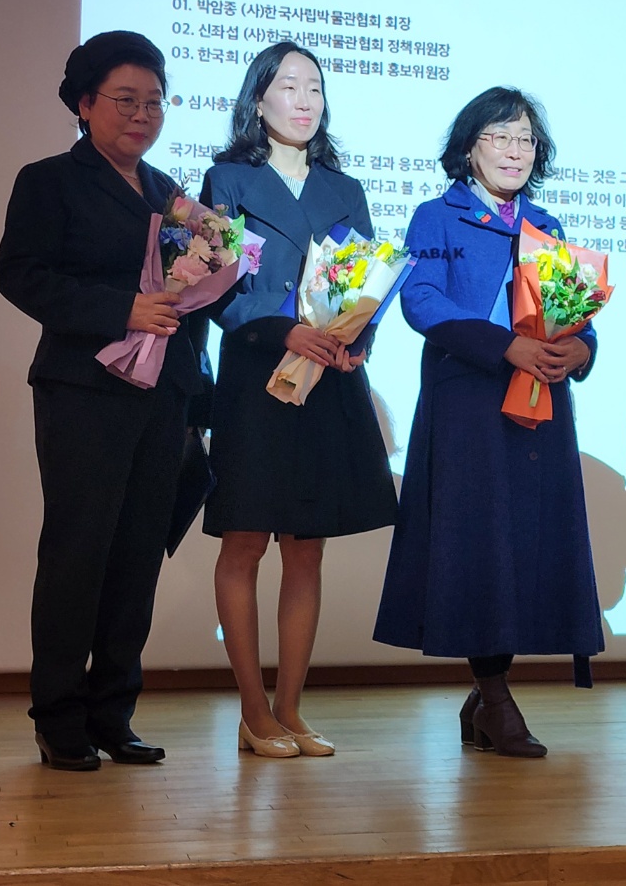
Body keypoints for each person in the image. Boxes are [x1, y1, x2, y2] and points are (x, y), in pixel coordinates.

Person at [373, 87, 604, 758]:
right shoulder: (436, 217)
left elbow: (572, 308)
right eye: (499, 137)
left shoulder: (547, 224)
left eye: (525, 139)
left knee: (524, 547)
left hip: (540, 405)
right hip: (469, 407)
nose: (514, 151)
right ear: (469, 148)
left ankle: (484, 699)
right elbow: (421, 300)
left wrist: (582, 349)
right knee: (479, 547)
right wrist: (504, 346)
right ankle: (496, 698)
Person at [0, 31, 198, 770]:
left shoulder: (169, 193)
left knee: (138, 555)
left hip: (161, 396)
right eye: (125, 100)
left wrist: (219, 264)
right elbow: (20, 275)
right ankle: (59, 717)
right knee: (78, 551)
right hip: (84, 390)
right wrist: (122, 309)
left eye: (155, 102)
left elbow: (189, 295)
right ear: (84, 104)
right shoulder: (50, 181)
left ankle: (114, 712)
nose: (143, 115)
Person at [201, 42, 398, 758]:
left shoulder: (345, 189)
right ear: (259, 100)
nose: (304, 99)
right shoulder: (226, 180)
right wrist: (284, 327)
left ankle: (290, 707)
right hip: (257, 382)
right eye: (289, 86)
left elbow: (368, 280)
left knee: (306, 548)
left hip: (326, 384)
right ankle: (253, 711)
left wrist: (357, 338)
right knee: (246, 540)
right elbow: (214, 285)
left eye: (314, 86)